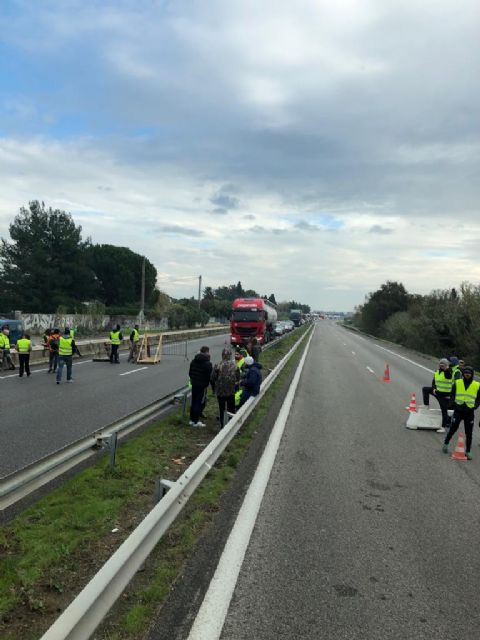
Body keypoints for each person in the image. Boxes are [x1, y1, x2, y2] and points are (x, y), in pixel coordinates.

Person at [442, 365, 480, 459]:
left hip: (469, 412)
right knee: (453, 429)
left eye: (469, 373)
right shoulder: (458, 383)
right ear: (463, 374)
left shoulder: (477, 385)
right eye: (466, 373)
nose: (467, 375)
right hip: (458, 410)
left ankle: (468, 451)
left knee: (469, 432)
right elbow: (452, 395)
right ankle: (446, 444)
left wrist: (475, 406)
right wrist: (453, 404)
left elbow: (479, 399)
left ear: (472, 375)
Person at [422, 358, 454, 433]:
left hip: (445, 395)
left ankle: (443, 427)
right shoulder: (437, 372)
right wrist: (434, 389)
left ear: (447, 366)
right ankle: (426, 405)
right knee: (425, 389)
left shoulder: (449, 372)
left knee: (444, 411)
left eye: (444, 365)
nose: (441, 366)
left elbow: (448, 376)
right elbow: (434, 382)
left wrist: (446, 369)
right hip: (437, 392)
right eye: (440, 364)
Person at [211, 348, 240, 428]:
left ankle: (222, 425)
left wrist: (215, 387)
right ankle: (232, 425)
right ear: (230, 355)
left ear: (222, 355)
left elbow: (213, 378)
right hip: (231, 390)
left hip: (220, 391)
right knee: (231, 408)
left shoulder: (218, 365)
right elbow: (238, 378)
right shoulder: (234, 365)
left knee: (222, 408)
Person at [188, 345, 212, 427]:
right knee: (199, 403)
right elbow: (210, 375)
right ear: (206, 352)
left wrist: (193, 380)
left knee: (194, 401)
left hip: (194, 384)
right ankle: (196, 421)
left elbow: (190, 372)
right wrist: (207, 383)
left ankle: (191, 419)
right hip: (202, 385)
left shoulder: (193, 361)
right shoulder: (208, 363)